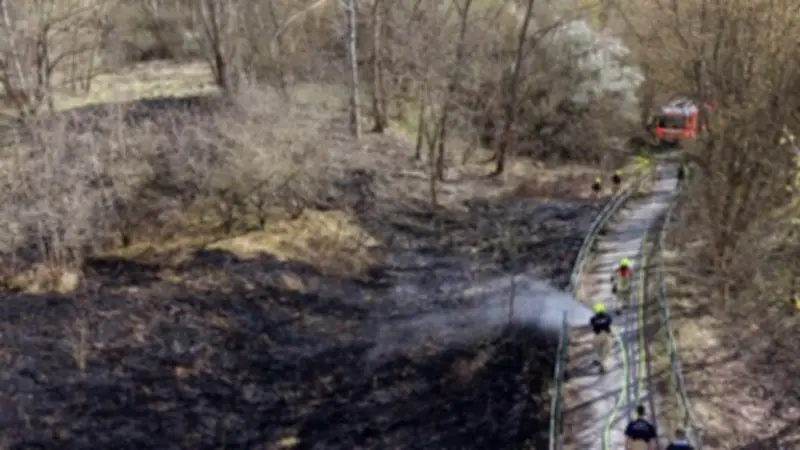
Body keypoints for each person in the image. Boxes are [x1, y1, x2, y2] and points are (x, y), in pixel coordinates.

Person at [589, 303, 613, 373]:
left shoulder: (593, 319)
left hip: (597, 337)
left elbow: (592, 323)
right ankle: (603, 366)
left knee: (599, 351)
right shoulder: (607, 317)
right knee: (606, 352)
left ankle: (599, 360)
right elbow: (610, 321)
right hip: (606, 335)